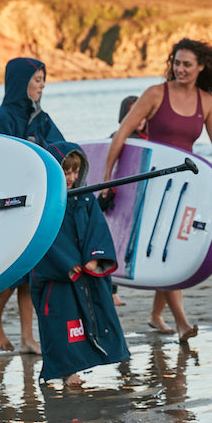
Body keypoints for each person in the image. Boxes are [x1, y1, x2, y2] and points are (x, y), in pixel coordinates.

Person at [103, 38, 212, 341]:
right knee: (166, 250)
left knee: (171, 249)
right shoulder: (156, 94)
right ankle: (182, 322)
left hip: (186, 185)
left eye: (187, 64)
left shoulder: (206, 102)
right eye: (176, 63)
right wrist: (108, 179)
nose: (180, 69)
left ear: (200, 67)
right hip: (154, 181)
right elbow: (122, 135)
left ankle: (157, 315)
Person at [0, 57, 66, 354]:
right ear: (21, 82)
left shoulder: (40, 117)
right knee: (17, 268)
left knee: (33, 269)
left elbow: (60, 146)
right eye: (37, 79)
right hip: (9, 205)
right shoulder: (3, 117)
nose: (43, 85)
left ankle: (28, 338)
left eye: (44, 79)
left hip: (36, 202)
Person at [30, 142, 130, 387]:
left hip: (88, 271)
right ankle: (67, 372)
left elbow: (98, 229)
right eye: (66, 172)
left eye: (76, 172)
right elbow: (44, 239)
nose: (72, 178)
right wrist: (67, 263)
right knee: (62, 325)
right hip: (59, 276)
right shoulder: (45, 203)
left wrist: (95, 257)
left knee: (97, 317)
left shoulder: (86, 198)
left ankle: (109, 358)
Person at [106, 95, 148, 307]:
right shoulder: (118, 137)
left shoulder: (149, 138)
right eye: (134, 112)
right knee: (115, 243)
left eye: (142, 112)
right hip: (120, 197)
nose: (139, 118)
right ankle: (111, 290)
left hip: (140, 198)